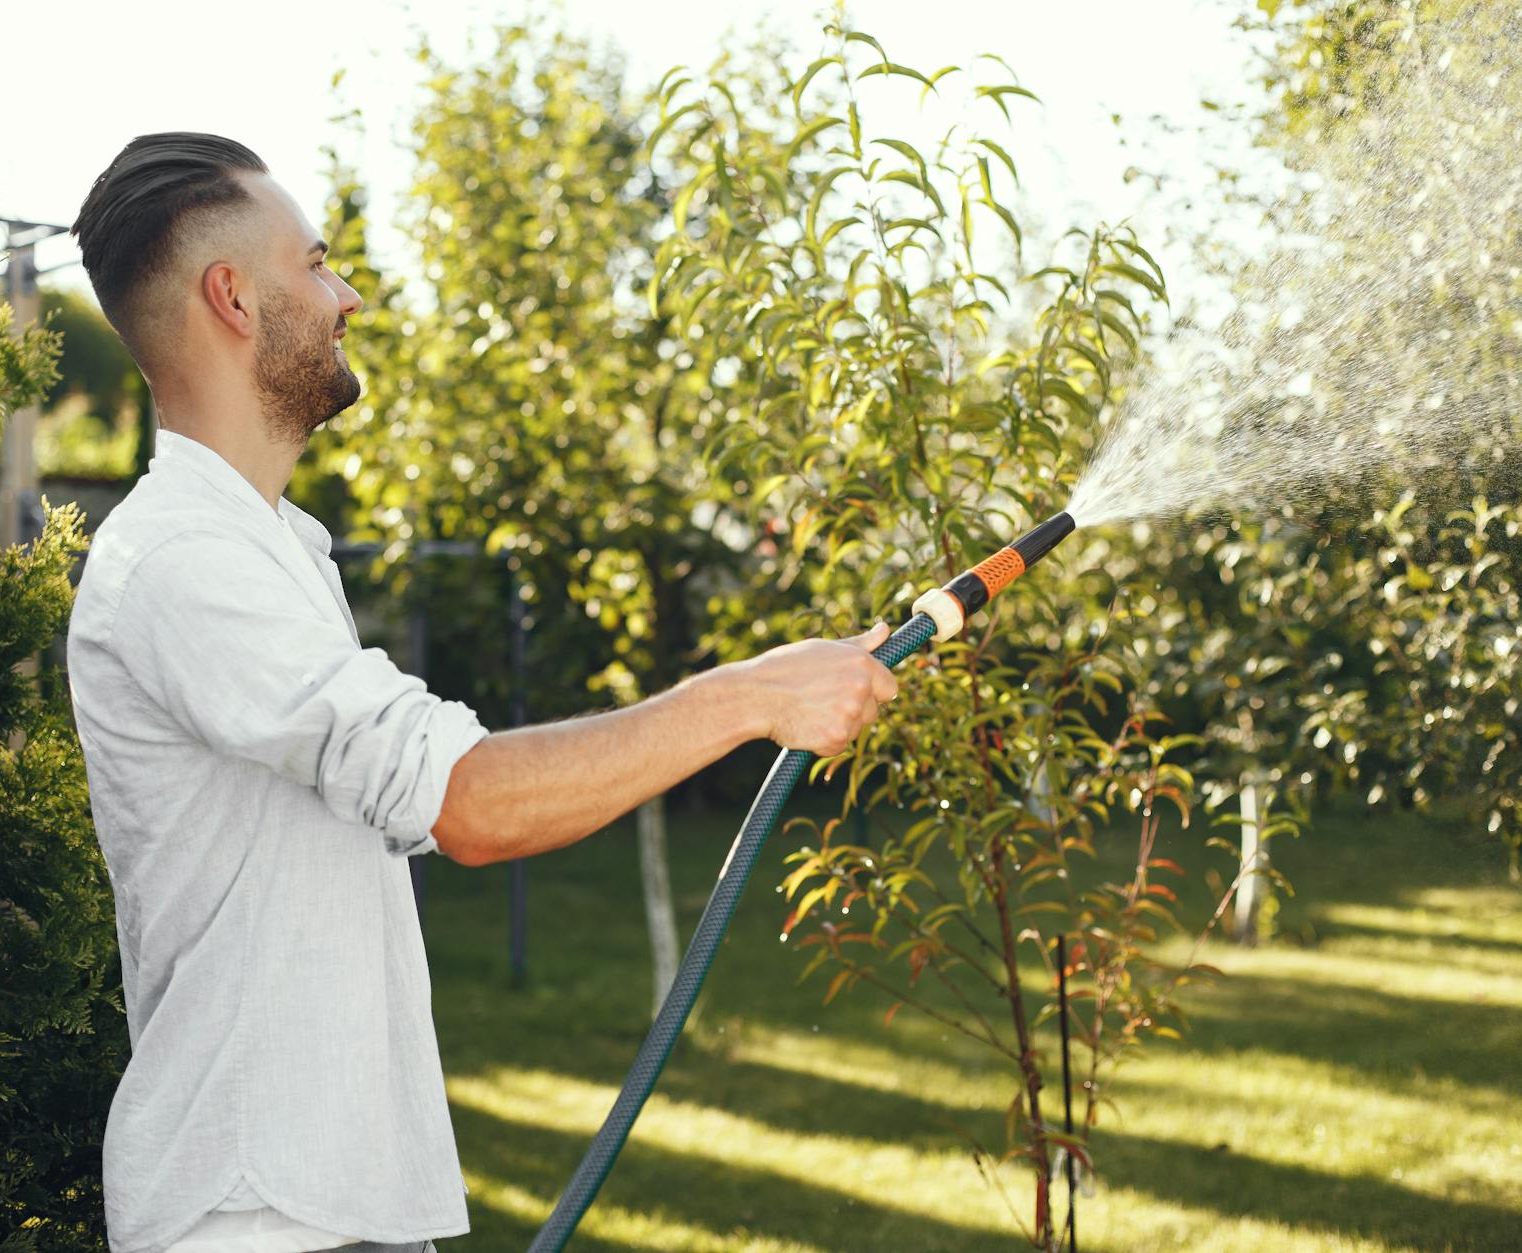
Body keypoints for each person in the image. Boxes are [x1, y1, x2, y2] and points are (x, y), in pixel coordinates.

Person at [64, 132, 899, 1253]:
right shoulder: (182, 562)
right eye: (314, 264)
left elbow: (411, 803)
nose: (348, 293)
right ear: (232, 297)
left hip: (321, 1196)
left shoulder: (272, 550)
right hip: (255, 1208)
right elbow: (469, 803)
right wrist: (745, 696)